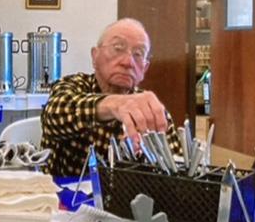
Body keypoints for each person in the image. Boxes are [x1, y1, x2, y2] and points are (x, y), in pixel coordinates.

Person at [41, 18, 180, 176]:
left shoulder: (149, 110)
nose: (128, 62)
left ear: (144, 69)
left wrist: (149, 155)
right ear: (95, 56)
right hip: (63, 190)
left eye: (138, 54)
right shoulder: (74, 85)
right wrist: (114, 105)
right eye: (118, 48)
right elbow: (53, 114)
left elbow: (177, 168)